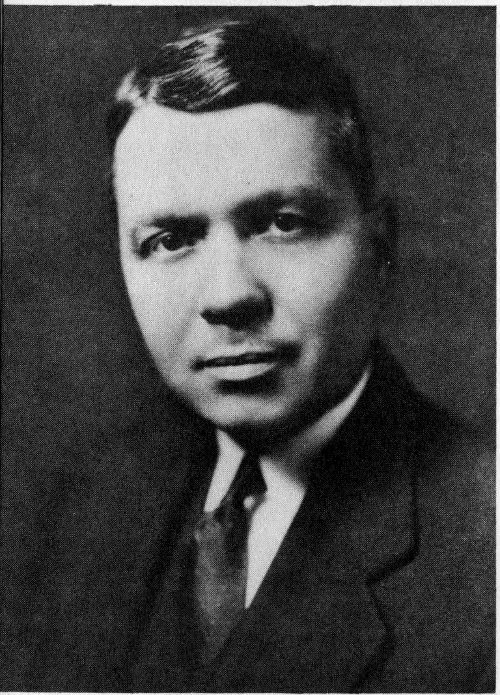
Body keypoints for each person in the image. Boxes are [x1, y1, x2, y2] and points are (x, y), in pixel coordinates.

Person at [2, 16, 494, 693]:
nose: (229, 295)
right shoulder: (94, 506)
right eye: (170, 239)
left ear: (380, 244)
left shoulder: (483, 539)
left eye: (283, 224)